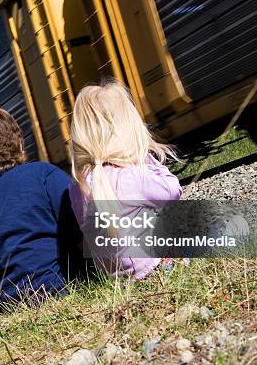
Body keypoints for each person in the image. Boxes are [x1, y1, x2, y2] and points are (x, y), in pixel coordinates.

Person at [0, 106, 81, 305]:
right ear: (20, 142)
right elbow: (82, 227)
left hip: (6, 306)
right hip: (58, 290)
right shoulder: (43, 174)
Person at [69, 80, 182, 279]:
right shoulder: (134, 176)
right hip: (156, 270)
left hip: (114, 280)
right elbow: (174, 191)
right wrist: (145, 158)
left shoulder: (76, 187)